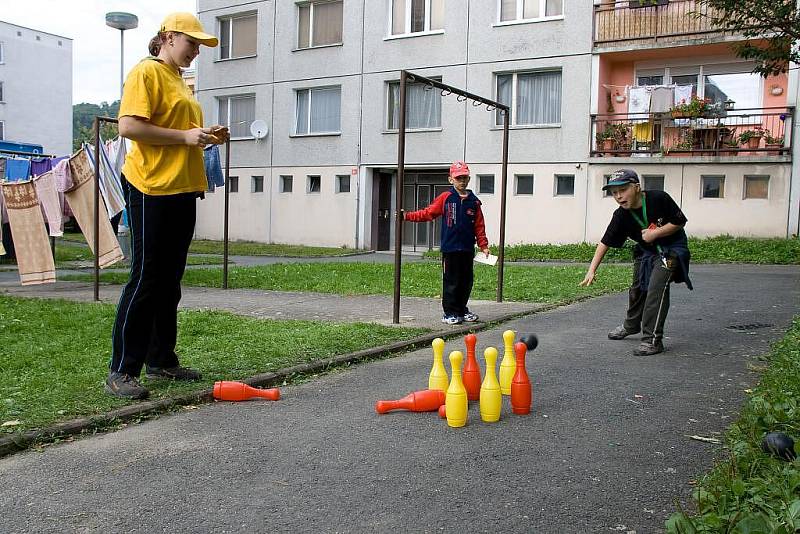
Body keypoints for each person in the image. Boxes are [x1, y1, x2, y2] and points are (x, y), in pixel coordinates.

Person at [105, 12, 230, 399]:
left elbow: (181, 136)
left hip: (182, 189)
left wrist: (206, 137)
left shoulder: (179, 80)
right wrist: (184, 135)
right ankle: (122, 370)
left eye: (199, 46)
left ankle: (161, 360)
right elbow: (128, 127)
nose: (196, 51)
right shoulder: (147, 73)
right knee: (146, 277)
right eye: (191, 43)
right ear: (169, 37)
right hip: (151, 187)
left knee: (170, 280)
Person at [580, 168, 692, 356]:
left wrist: (656, 233)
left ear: (637, 187)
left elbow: (680, 221)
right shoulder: (621, 216)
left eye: (623, 190)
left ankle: (652, 340)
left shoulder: (659, 198)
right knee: (638, 289)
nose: (618, 196)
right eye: (614, 193)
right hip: (646, 252)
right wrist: (591, 270)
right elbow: (605, 242)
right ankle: (631, 325)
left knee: (656, 290)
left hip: (672, 250)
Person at [403, 161, 490, 325]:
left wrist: (483, 245)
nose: (462, 181)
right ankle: (449, 312)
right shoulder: (446, 198)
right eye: (458, 178)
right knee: (451, 281)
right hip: (450, 249)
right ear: (451, 180)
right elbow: (428, 213)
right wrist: (407, 216)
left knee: (466, 281)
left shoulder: (474, 202)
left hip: (466, 249)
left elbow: (479, 225)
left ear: (469, 179)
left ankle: (462, 310)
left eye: (464, 177)